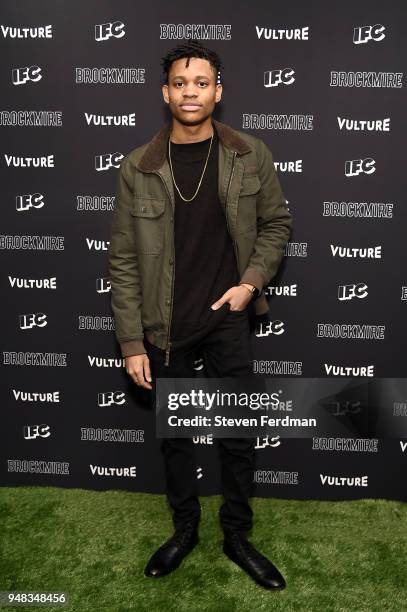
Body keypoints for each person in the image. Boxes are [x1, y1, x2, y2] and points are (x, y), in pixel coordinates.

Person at [108, 39, 293, 590]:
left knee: (238, 435)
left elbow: (276, 226)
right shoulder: (137, 165)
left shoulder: (249, 154)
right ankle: (184, 528)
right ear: (166, 93)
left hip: (228, 318)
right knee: (176, 439)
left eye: (203, 82)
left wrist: (249, 284)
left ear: (219, 90)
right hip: (165, 328)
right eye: (181, 83)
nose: (192, 92)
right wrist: (131, 341)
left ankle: (237, 534)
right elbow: (122, 258)